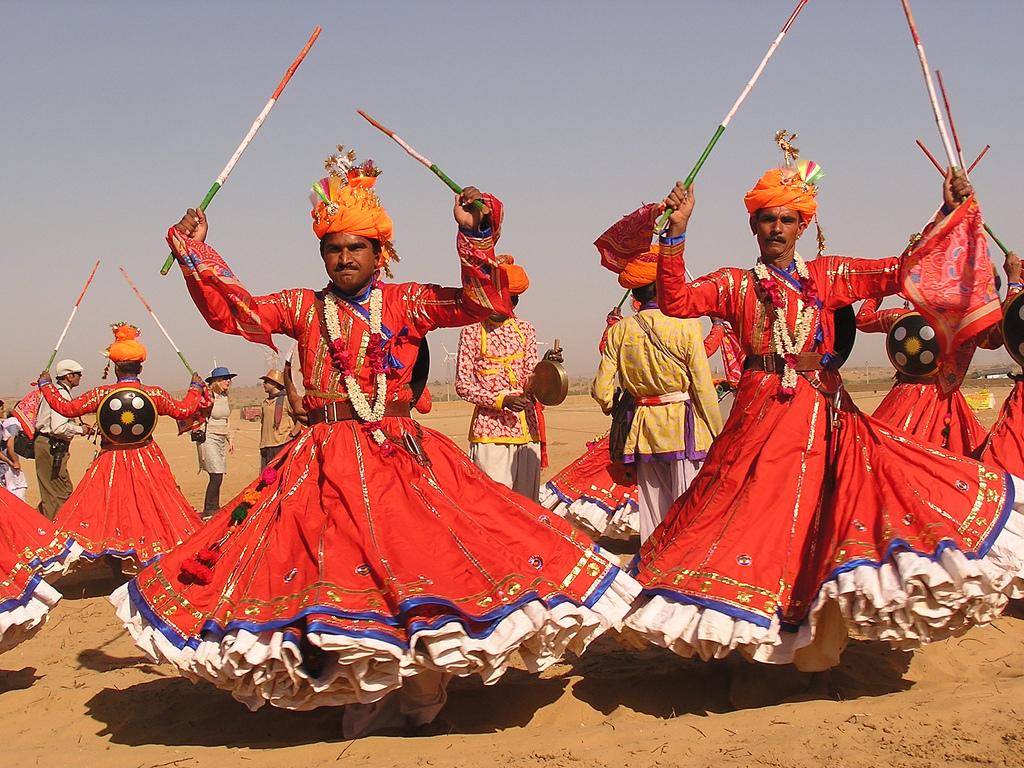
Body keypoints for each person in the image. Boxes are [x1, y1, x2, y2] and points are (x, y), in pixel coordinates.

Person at [112, 149, 638, 738]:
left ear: (378, 253)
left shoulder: (408, 303)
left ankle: (416, 688)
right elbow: (236, 315)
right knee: (336, 568)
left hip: (397, 456)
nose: (343, 258)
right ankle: (358, 683)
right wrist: (197, 254)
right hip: (320, 459)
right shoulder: (302, 307)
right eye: (333, 248)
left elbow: (483, 303)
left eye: (355, 247)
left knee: (415, 563)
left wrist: (478, 240)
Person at [623, 155, 1024, 673]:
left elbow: (898, 272)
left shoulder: (828, 275)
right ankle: (758, 637)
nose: (777, 228)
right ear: (754, 225)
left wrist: (943, 214)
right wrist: (676, 234)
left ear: (800, 226)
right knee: (744, 511)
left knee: (827, 513)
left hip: (825, 415)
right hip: (760, 415)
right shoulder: (734, 284)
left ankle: (813, 639)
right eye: (768, 218)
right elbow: (676, 301)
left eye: (787, 219)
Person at [37, 323, 206, 569]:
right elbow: (184, 410)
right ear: (140, 367)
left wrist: (46, 385)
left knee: (110, 505)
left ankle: (115, 554)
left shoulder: (101, 394)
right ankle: (147, 550)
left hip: (111, 458)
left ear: (115, 367)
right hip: (146, 456)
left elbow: (67, 408)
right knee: (151, 504)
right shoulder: (154, 394)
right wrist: (196, 388)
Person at [592, 244, 723, 543]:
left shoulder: (619, 330)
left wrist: (612, 404)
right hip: (683, 427)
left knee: (652, 508)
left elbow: (601, 389)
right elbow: (703, 386)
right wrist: (718, 431)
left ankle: (651, 567)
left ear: (635, 295)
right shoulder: (687, 324)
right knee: (688, 503)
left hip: (643, 430)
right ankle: (682, 565)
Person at [854, 292, 1000, 454]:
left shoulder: (898, 317)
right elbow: (992, 339)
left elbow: (862, 320)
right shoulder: (960, 321)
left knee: (881, 452)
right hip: (946, 397)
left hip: (905, 398)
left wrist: (876, 294)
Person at [455, 258, 547, 501]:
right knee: (492, 504)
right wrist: (501, 400)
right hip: (489, 433)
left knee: (527, 506)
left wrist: (548, 370)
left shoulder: (526, 329)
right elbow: (463, 385)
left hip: (527, 432)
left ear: (513, 301)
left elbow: (530, 378)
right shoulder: (472, 331)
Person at [34, 358, 91, 520]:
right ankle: (51, 533)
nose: (80, 377)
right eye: (78, 374)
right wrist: (81, 429)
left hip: (50, 444)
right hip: (51, 445)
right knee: (57, 495)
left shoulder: (55, 391)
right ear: (69, 376)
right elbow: (58, 428)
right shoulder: (60, 393)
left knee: (57, 491)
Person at [197, 366, 235, 517]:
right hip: (209, 437)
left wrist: (230, 439)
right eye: (224, 379)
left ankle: (214, 507)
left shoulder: (225, 397)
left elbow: (227, 420)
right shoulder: (207, 397)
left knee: (219, 473)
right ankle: (210, 509)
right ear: (216, 381)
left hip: (221, 438)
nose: (228, 381)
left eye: (229, 379)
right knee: (216, 473)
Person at [258, 369, 299, 470]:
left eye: (266, 382)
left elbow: (300, 418)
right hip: (266, 445)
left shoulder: (286, 400)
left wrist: (293, 434)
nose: (264, 384)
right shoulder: (265, 402)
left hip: (281, 444)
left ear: (275, 383)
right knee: (266, 477)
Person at [1, 409, 30, 501]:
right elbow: (9, 445)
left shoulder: (6, 423)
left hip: (6, 463)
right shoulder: (14, 424)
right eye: (1, 408)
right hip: (7, 465)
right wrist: (14, 462)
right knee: (19, 488)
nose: (3, 410)